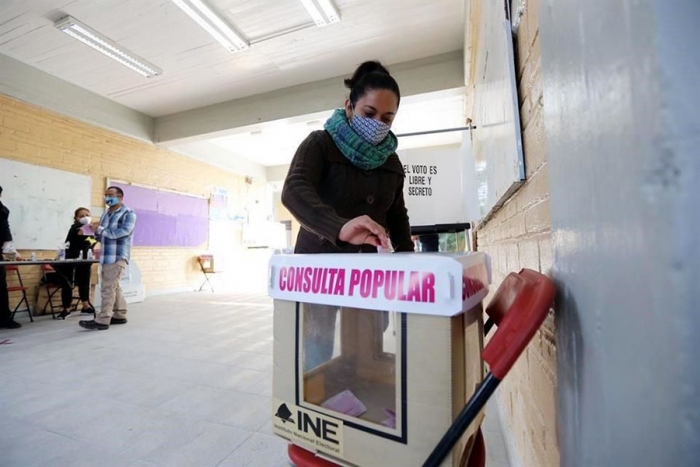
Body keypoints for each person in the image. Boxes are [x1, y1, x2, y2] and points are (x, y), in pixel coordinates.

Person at [281, 61, 414, 369]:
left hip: (369, 272)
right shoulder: (320, 144)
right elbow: (294, 189)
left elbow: (397, 214)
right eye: (369, 114)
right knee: (317, 348)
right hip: (319, 267)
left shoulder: (391, 162)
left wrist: (410, 259)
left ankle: (359, 399)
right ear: (349, 106)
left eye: (387, 118)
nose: (378, 123)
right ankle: (319, 408)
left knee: (367, 349)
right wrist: (339, 227)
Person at [79, 186, 136, 331]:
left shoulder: (128, 213)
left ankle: (103, 320)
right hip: (106, 255)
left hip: (118, 255)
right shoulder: (106, 214)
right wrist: (92, 231)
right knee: (114, 286)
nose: (107, 198)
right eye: (106, 195)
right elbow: (102, 235)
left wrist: (101, 230)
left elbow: (123, 232)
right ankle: (119, 315)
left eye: (111, 195)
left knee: (107, 288)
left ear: (120, 197)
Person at [55, 207, 97, 319]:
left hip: (85, 260)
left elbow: (92, 242)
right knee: (67, 283)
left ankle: (86, 305)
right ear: (76, 218)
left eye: (87, 215)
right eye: (81, 216)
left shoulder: (91, 229)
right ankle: (66, 308)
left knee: (84, 282)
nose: (85, 217)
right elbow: (81, 233)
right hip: (71, 258)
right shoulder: (76, 228)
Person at [0, 185, 22, 329]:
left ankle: (4, 318)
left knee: (1, 286)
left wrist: (9, 248)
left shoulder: (2, 210)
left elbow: (4, 229)